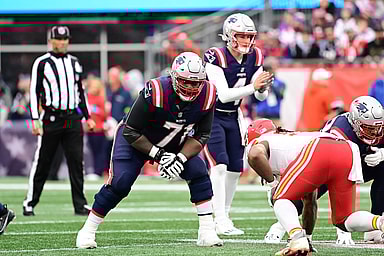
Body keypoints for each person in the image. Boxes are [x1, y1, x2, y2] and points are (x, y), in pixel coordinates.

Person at [76, 52, 223, 249]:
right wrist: (160, 155)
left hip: (176, 143)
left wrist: (179, 158)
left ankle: (207, 230)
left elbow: (201, 135)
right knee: (120, 182)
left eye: (195, 83)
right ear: (173, 77)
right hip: (138, 141)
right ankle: (88, 230)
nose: (190, 87)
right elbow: (130, 130)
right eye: (185, 81)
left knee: (199, 172)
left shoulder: (208, 94)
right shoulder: (156, 90)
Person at [246, 118, 384, 255]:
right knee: (344, 220)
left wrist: (273, 184)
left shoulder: (262, 141)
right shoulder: (288, 141)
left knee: (279, 197)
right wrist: (307, 238)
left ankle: (296, 238)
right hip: (346, 148)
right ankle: (380, 222)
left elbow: (255, 154)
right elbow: (310, 202)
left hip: (319, 147)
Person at [265, 95, 384, 244]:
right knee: (303, 198)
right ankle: (280, 226)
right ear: (355, 122)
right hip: (328, 167)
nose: (375, 133)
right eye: (368, 129)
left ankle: (375, 229)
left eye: (378, 128)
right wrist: (343, 231)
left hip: (357, 161)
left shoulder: (378, 125)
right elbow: (339, 166)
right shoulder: (340, 130)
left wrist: (382, 154)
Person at [202, 13, 274, 235]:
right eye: (240, 35)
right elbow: (222, 95)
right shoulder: (216, 56)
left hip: (234, 115)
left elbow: (261, 97)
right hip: (211, 114)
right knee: (220, 165)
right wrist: (254, 87)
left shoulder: (256, 56)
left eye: (249, 35)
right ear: (228, 35)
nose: (245, 40)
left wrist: (261, 88)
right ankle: (219, 218)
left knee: (235, 168)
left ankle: (225, 215)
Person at [23, 26, 96, 216]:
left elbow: (81, 92)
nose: (62, 43)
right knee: (43, 162)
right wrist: (35, 119)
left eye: (65, 39)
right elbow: (34, 92)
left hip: (72, 117)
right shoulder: (42, 63)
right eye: (59, 39)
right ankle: (30, 202)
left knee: (76, 162)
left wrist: (88, 117)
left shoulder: (75, 62)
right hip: (51, 118)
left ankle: (80, 205)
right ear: (51, 40)